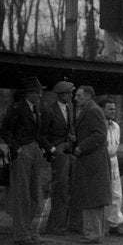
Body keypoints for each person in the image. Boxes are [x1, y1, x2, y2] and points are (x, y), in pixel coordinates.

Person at [0, 77, 52, 244]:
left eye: (40, 92)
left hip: (35, 150)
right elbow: (6, 131)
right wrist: (16, 148)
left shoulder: (36, 109)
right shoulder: (16, 109)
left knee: (34, 193)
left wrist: (44, 148)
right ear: (28, 94)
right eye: (36, 92)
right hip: (23, 152)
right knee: (22, 194)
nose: (39, 95)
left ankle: (28, 231)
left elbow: (39, 133)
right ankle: (21, 234)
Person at [69, 85, 112, 244]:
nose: (76, 98)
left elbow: (100, 134)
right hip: (91, 160)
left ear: (88, 96)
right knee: (91, 197)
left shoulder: (92, 110)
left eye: (79, 96)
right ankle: (93, 232)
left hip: (92, 160)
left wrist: (82, 146)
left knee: (92, 197)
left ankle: (93, 234)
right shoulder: (88, 109)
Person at [42, 80, 76, 235]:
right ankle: (56, 226)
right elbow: (41, 135)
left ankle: (65, 224)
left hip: (69, 152)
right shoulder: (49, 111)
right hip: (59, 153)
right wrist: (53, 149)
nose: (71, 96)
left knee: (70, 188)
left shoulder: (70, 109)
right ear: (61, 95)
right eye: (68, 93)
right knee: (60, 189)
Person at [99, 98, 123, 236]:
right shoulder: (98, 125)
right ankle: (97, 225)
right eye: (110, 109)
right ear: (102, 109)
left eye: (114, 109)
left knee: (116, 193)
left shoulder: (116, 126)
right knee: (100, 192)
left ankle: (114, 224)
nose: (113, 111)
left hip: (113, 160)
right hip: (102, 160)